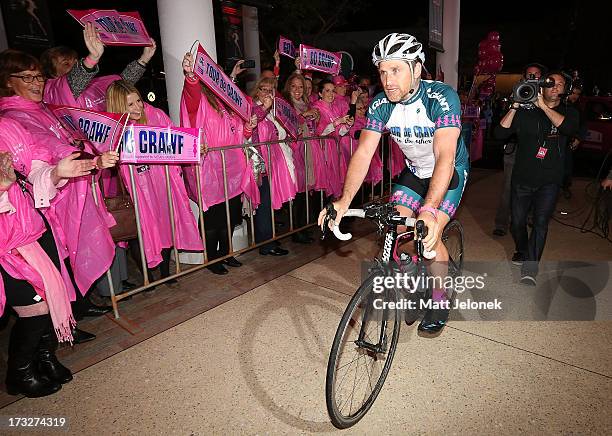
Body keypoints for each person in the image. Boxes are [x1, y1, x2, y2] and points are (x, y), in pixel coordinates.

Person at [318, 33, 470, 333]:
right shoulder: (380, 105)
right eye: (383, 71)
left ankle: (439, 299)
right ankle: (413, 272)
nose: (387, 80)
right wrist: (343, 202)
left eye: (396, 70)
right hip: (415, 171)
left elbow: (444, 156)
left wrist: (429, 209)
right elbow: (363, 153)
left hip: (448, 171)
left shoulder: (440, 97)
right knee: (397, 226)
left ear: (416, 68)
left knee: (431, 235)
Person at [0, 38, 119, 342]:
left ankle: (74, 311)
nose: (37, 82)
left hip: (57, 193)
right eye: (27, 77)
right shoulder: (13, 118)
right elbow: (44, 149)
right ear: (7, 83)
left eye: (38, 75)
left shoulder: (40, 109)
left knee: (67, 258)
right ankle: (58, 330)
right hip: (34, 211)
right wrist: (73, 158)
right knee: (47, 277)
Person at [105, 80, 203, 284]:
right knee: (142, 230)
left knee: (166, 224)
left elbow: (177, 141)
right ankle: (148, 277)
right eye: (130, 105)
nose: (138, 107)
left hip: (162, 181)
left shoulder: (155, 115)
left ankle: (165, 273)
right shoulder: (112, 130)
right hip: (136, 188)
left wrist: (193, 147)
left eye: (138, 101)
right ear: (118, 107)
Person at [494, 71, 579, 286]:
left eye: (559, 84)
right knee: (518, 223)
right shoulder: (524, 112)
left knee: (541, 223)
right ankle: (522, 250)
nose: (555, 87)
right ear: (541, 86)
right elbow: (499, 134)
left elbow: (568, 128)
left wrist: (543, 107)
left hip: (550, 180)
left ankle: (530, 268)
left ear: (565, 89)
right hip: (522, 178)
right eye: (550, 83)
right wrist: (514, 106)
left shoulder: (570, 112)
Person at [181, 52, 257, 275]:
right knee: (213, 217)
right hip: (210, 168)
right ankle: (212, 259)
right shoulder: (200, 99)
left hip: (232, 167)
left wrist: (249, 127)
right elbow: (191, 94)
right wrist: (190, 76)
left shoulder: (227, 102)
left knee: (230, 215)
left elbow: (239, 131)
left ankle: (226, 253)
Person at [493, 63, 546, 237]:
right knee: (508, 188)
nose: (532, 78)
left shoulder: (546, 95)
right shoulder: (517, 92)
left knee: (536, 186)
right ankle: (501, 223)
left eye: (536, 75)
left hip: (536, 149)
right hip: (515, 148)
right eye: (529, 74)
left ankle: (530, 217)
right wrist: (515, 101)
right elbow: (501, 128)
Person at [248, 76, 295, 255]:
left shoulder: (274, 110)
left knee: (267, 203)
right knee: (264, 204)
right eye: (264, 89)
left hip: (273, 162)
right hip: (259, 164)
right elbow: (252, 128)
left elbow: (279, 132)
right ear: (257, 90)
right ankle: (267, 244)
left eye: (271, 89)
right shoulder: (253, 108)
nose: (268, 93)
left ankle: (267, 241)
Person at [312, 79, 354, 198]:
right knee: (325, 183)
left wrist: (348, 125)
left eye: (333, 91)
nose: (331, 94)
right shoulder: (316, 108)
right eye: (327, 91)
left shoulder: (334, 108)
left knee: (335, 181)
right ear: (320, 93)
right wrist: (337, 122)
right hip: (322, 150)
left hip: (334, 150)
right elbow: (320, 132)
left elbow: (340, 132)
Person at [562, 84, 586, 198]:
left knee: (567, 168)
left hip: (567, 144)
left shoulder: (578, 109)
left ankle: (565, 187)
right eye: (573, 93)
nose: (575, 96)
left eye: (578, 94)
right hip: (555, 142)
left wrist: (579, 139)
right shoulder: (560, 104)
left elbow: (583, 125)